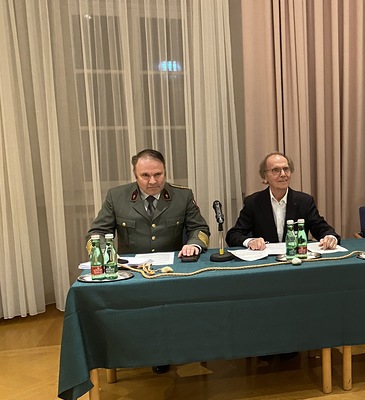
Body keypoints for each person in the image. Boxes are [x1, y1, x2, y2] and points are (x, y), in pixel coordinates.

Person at [87, 148, 211, 374]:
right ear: (135, 175)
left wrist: (194, 244)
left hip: (171, 271)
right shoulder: (117, 196)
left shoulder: (182, 196)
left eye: (158, 174)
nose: (153, 181)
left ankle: (169, 351)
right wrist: (106, 254)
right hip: (132, 273)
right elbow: (97, 233)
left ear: (165, 172)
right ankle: (132, 351)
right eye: (145, 175)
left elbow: (200, 229)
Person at [226, 152, 340, 251]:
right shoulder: (253, 202)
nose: (283, 174)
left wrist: (330, 237)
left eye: (286, 169)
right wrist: (250, 241)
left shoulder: (304, 201)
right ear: (265, 176)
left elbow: (321, 228)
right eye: (275, 170)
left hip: (296, 259)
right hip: (266, 261)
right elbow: (233, 235)